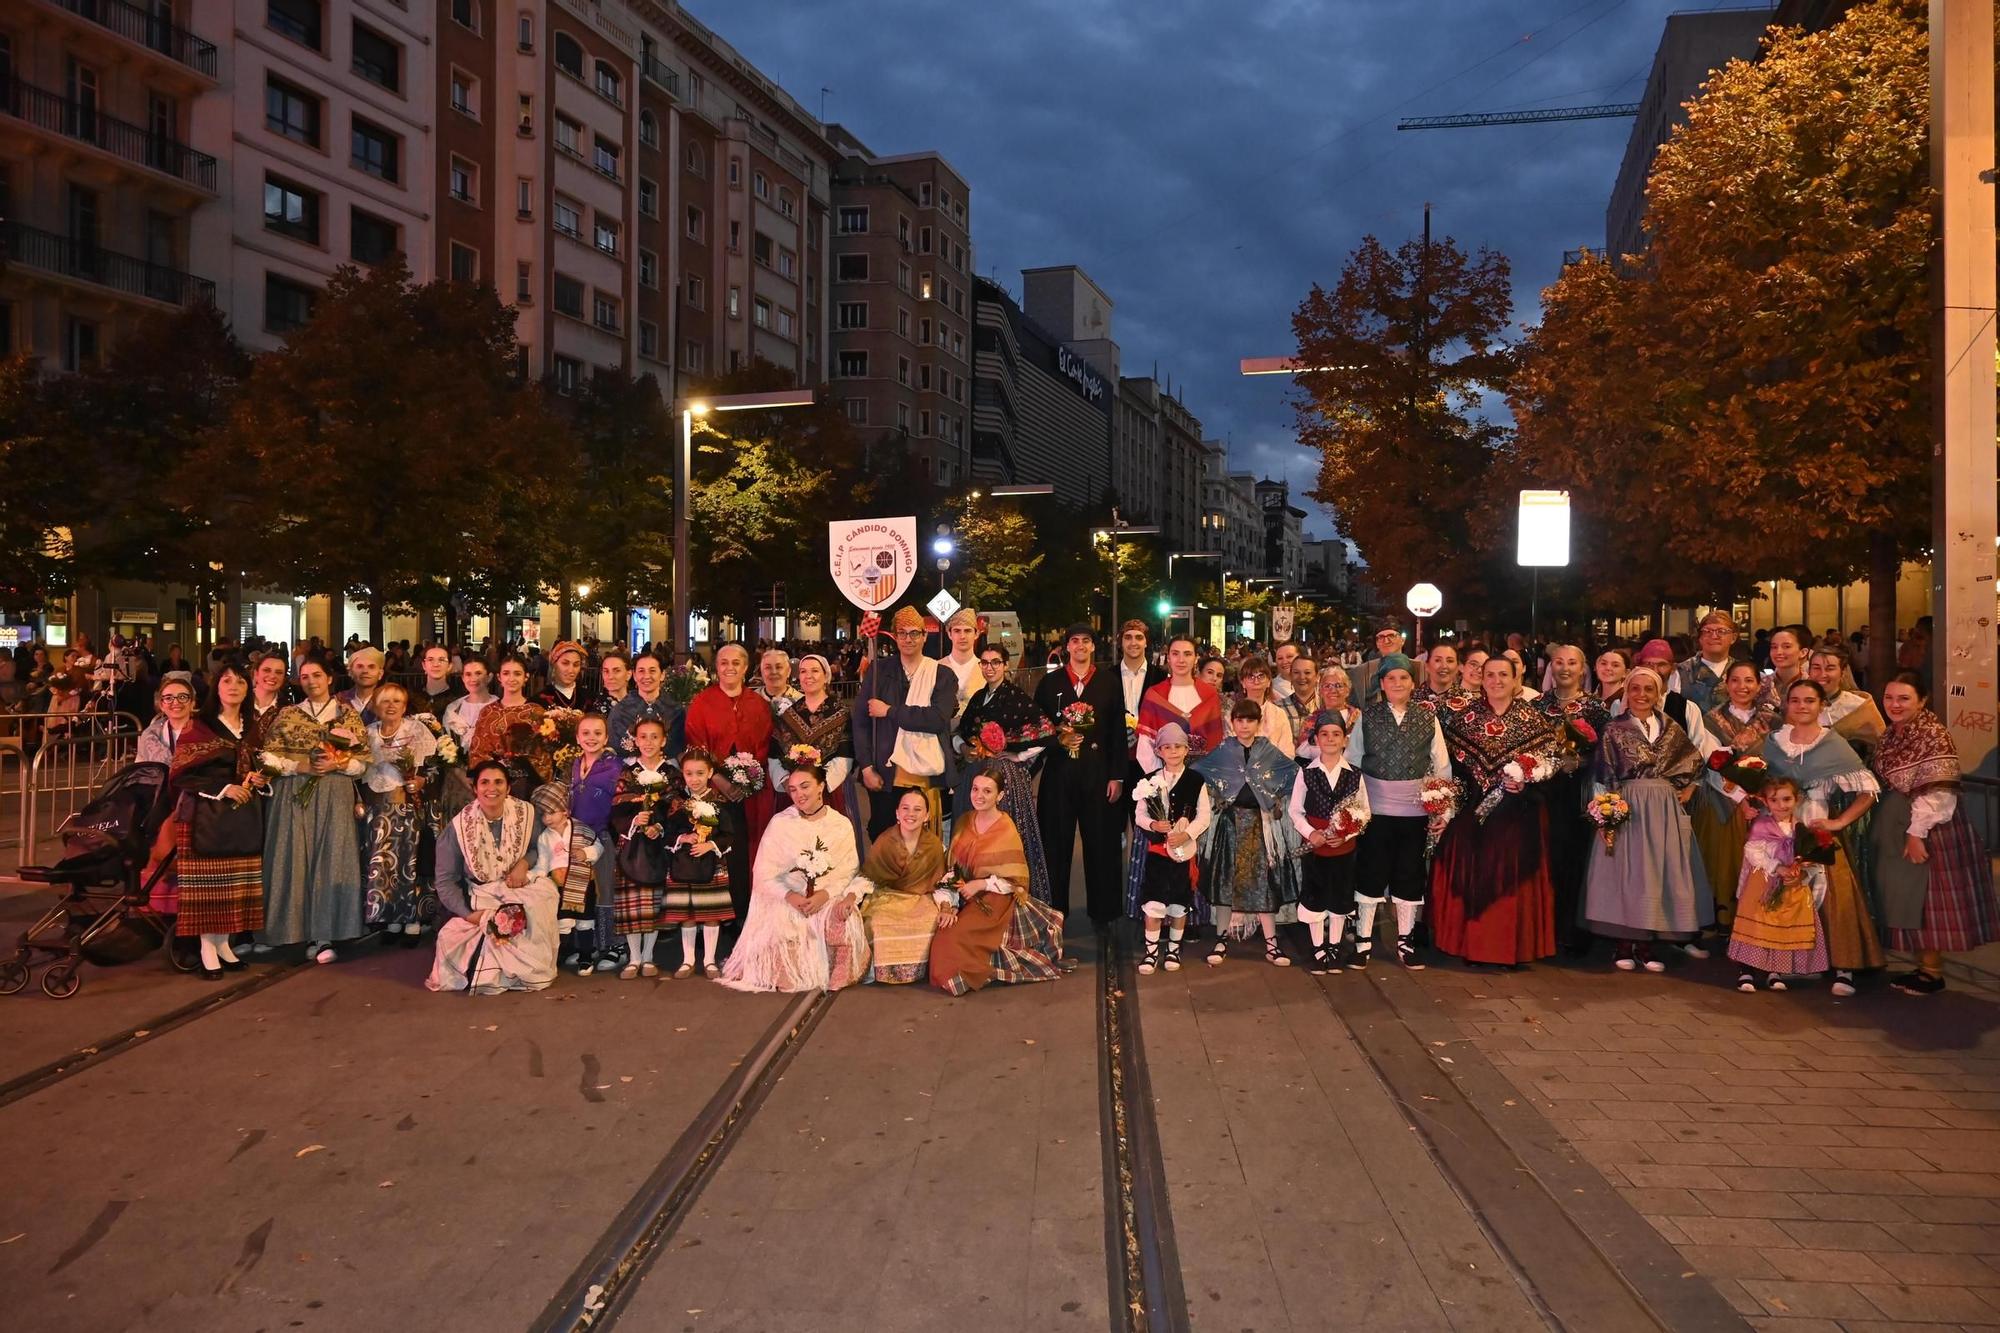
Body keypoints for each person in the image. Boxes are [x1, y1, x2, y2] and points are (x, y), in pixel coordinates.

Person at [1429, 654, 1568, 968]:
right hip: (1472, 815)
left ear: (1516, 677)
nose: (1496, 681)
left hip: (1517, 817)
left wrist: (1527, 787)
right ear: (1481, 678)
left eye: (1503, 674)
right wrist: (1448, 804)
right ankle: (1472, 947)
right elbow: (1449, 769)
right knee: (1472, 878)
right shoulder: (1463, 718)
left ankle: (1508, 949)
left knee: (1511, 881)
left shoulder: (1533, 719)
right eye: (1489, 674)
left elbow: (1551, 766)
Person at [1872, 672, 2000, 995]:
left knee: (1927, 900)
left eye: (1904, 698)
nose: (1895, 705)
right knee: (1909, 899)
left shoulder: (1932, 734)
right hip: (1901, 824)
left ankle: (1932, 972)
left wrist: (1917, 833)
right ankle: (1922, 967)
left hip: (1931, 830)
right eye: (1889, 698)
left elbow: (1939, 790)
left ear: (1922, 700)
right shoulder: (1893, 735)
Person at [1759, 678, 1884, 996]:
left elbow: (1868, 790)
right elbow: (1760, 782)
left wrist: (1839, 821)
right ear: (1786, 704)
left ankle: (1843, 965)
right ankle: (1783, 961)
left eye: (1809, 701)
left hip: (1816, 827)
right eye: (1796, 700)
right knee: (1782, 891)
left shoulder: (1833, 744)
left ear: (1822, 705)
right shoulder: (1774, 741)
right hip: (1781, 829)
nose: (1802, 706)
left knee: (1833, 897)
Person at [1581, 667, 1709, 972]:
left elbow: (1695, 763)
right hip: (1628, 805)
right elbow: (1602, 774)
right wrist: (1604, 813)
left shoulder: (1671, 728)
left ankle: (1648, 945)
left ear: (1658, 694)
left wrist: (1689, 789)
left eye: (1648, 689)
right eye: (1635, 689)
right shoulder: (1614, 728)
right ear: (1627, 692)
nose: (1641, 695)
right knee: (1628, 873)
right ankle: (1624, 943)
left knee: (1658, 873)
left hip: (1662, 809)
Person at [720, 766, 870, 993]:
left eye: (805, 786)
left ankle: (834, 971)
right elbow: (763, 873)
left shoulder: (840, 824)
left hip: (826, 896)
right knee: (786, 971)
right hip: (787, 898)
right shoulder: (781, 823)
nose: (799, 794)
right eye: (792, 789)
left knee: (844, 918)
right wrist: (790, 896)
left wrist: (824, 895)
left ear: (821, 786)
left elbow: (848, 871)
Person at [256, 659, 368, 965]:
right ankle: (282, 931)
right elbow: (268, 754)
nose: (311, 681)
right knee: (289, 859)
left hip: (334, 792)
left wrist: (339, 764)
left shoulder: (347, 714)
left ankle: (324, 935)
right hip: (293, 793)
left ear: (330, 678)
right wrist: (298, 766)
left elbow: (363, 762)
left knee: (331, 860)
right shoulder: (288, 714)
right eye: (304, 676)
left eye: (317, 675)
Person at [1351, 652, 1451, 968]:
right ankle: (1363, 940)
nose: (1397, 683)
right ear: (1381, 684)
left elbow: (1441, 766)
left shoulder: (1427, 717)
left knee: (1409, 876)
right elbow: (1353, 763)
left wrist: (1442, 810)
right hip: (1376, 812)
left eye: (1403, 678)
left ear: (1412, 683)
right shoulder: (1367, 717)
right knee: (1370, 874)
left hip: (1414, 812)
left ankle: (1405, 941)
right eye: (1390, 678)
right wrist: (1354, 810)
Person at [425, 761, 560, 993]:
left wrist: (524, 863)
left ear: (508, 788)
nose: (492, 788)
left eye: (499, 782)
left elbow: (540, 847)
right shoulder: (458, 827)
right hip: (482, 892)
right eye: (484, 782)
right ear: (474, 788)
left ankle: (528, 970)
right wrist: (470, 915)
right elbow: (445, 881)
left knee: (542, 898)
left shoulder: (526, 813)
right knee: (468, 934)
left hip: (519, 883)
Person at [929, 768, 1065, 994]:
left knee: (951, 941)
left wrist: (981, 884)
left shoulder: (1005, 827)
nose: (979, 796)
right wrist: (948, 904)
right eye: (975, 789)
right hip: (965, 896)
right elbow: (953, 870)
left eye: (987, 791)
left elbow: (1015, 881)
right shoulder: (964, 822)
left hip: (997, 899)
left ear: (1000, 796)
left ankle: (977, 972)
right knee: (944, 937)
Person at [169, 663, 262, 979]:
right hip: (203, 816)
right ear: (216, 687)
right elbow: (181, 773)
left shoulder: (252, 726)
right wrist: (224, 788)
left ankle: (223, 945)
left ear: (248, 689)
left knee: (232, 887)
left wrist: (258, 779)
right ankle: (206, 949)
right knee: (208, 889)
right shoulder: (200, 725)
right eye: (226, 680)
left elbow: (259, 762)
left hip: (242, 817)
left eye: (240, 681)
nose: (233, 686)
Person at [1032, 623, 1128, 924]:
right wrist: (1056, 739)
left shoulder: (1110, 683)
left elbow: (1116, 733)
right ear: (1066, 647)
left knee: (1102, 842)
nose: (1081, 647)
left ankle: (1104, 911)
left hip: (1098, 773)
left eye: (1087, 641)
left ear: (1093, 647)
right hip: (1059, 774)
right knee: (1055, 843)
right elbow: (1036, 729)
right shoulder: (1049, 684)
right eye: (1075, 641)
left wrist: (1118, 776)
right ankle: (1054, 910)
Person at [1195, 699, 1302, 966]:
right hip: (1229, 825)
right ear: (1232, 722)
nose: (1244, 726)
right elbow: (1198, 773)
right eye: (1240, 720)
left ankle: (1271, 943)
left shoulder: (1267, 751)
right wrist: (1215, 796)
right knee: (1224, 881)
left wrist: (1276, 798)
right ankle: (1221, 939)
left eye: (1250, 720)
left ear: (1258, 723)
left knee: (1263, 882)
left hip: (1260, 825)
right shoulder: (1223, 750)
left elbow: (1293, 774)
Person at [955, 642, 1055, 902]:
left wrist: (1018, 754)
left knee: (1004, 840)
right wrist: (966, 748)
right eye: (985, 663)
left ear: (1005, 665)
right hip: (976, 774)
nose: (989, 668)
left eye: (995, 662)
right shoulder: (979, 697)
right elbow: (963, 732)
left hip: (1005, 779)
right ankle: (974, 894)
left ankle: (1007, 899)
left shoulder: (1015, 697)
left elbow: (1045, 731)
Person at [854, 609, 959, 842]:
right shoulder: (879, 671)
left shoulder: (942, 675)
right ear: (895, 637)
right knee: (883, 839)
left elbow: (937, 720)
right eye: (902, 633)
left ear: (924, 636)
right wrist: (866, 767)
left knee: (923, 844)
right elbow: (860, 721)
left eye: (914, 633)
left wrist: (889, 711)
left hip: (927, 777)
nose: (908, 639)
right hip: (885, 776)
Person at [1536, 644, 1612, 954]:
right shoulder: (1539, 706)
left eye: (1572, 663)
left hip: (1581, 793)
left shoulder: (1595, 708)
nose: (1564, 668)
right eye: (1558, 662)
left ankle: (1575, 929)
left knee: (1578, 860)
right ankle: (1546, 929)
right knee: (1547, 858)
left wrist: (1579, 762)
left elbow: (1608, 754)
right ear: (1549, 668)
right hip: (1546, 792)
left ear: (1583, 669)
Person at [1727, 777, 1830, 991]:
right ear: (1766, 802)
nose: (1781, 805)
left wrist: (1799, 870)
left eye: (1787, 799)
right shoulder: (1762, 825)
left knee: (1782, 923)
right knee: (1757, 922)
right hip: (1764, 881)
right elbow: (1753, 852)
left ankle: (1775, 970)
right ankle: (1746, 970)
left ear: (1797, 799)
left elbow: (1808, 854)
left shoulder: (1800, 826)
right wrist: (1777, 867)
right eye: (1775, 801)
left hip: (1790, 881)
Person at [1289, 712, 1369, 975]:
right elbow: (1295, 810)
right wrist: (1311, 833)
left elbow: (1364, 812)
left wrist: (1345, 834)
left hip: (1343, 848)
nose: (1331, 739)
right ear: (1316, 739)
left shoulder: (1355, 774)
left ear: (1345, 739)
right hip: (1316, 848)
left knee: (1340, 895)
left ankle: (1334, 945)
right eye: (1325, 734)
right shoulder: (1306, 774)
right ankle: (1318, 947)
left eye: (1336, 734)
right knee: (1315, 896)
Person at [685, 643, 777, 869]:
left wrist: (750, 780)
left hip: (751, 793)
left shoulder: (758, 704)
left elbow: (765, 743)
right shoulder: (702, 703)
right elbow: (695, 743)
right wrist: (716, 778)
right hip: (714, 790)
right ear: (716, 667)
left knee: (748, 846)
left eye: (736, 663)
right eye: (724, 663)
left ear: (745, 667)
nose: (730, 668)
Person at [1131, 723, 1213, 974]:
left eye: (1178, 747)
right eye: (1167, 747)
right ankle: (1151, 952)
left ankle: (1174, 950)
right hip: (1158, 853)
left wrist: (1187, 834)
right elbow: (1139, 815)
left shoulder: (1196, 780)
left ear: (1186, 749)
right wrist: (1154, 823)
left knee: (1179, 903)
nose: (1173, 752)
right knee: (1153, 903)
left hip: (1183, 853)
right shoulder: (1149, 781)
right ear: (1159, 751)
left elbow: (1204, 815)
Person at [362, 682, 437, 945]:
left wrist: (422, 782)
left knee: (409, 862)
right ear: (375, 706)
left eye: (397, 701)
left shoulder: (416, 730)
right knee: (381, 866)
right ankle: (391, 917)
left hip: (406, 807)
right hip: (377, 809)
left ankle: (413, 918)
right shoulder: (368, 733)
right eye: (385, 701)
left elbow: (435, 767)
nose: (391, 706)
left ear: (405, 706)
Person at [660, 747, 742, 978]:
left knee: (711, 915)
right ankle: (687, 960)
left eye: (699, 773)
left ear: (710, 773)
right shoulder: (676, 802)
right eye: (688, 774)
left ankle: (709, 961)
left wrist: (710, 845)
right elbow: (665, 833)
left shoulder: (719, 802)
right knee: (686, 915)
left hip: (711, 864)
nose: (694, 779)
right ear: (682, 774)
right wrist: (681, 838)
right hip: (682, 865)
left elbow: (729, 834)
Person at [855, 788, 949, 984]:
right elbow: (868, 876)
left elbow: (941, 881)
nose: (910, 814)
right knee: (878, 922)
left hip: (921, 898)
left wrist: (946, 906)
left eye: (917, 809)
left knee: (930, 920)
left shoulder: (934, 845)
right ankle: (884, 972)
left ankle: (918, 972)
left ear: (927, 815)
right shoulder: (884, 841)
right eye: (905, 808)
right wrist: (850, 897)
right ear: (897, 813)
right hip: (888, 896)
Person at [610, 718, 680, 979]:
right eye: (643, 737)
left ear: (663, 741)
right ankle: (634, 957)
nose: (648, 742)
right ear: (635, 741)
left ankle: (649, 956)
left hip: (658, 846)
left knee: (652, 903)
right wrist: (633, 822)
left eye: (654, 737)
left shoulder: (672, 775)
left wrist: (660, 827)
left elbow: (677, 808)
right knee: (631, 905)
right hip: (631, 845)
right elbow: (617, 806)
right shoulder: (628, 774)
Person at [566, 714, 622, 974]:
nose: (591, 738)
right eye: (586, 733)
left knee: (605, 889)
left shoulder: (614, 766)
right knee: (581, 890)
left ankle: (612, 945)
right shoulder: (573, 764)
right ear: (577, 737)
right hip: (576, 836)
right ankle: (584, 946)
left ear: (607, 738)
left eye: (597, 733)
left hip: (603, 834)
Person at [769, 652, 854, 823]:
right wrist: (787, 784)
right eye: (803, 671)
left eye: (814, 671)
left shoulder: (841, 713)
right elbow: (774, 754)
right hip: (792, 795)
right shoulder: (786, 714)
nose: (808, 676)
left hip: (826, 793)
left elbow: (845, 755)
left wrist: (817, 787)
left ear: (826, 676)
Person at [530, 780, 601, 969]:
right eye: (543, 814)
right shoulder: (545, 836)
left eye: (552, 813)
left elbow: (598, 846)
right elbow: (543, 863)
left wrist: (587, 853)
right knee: (563, 922)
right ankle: (562, 955)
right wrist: (533, 876)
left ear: (566, 811)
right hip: (560, 885)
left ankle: (586, 957)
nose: (547, 818)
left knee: (584, 922)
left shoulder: (582, 829)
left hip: (583, 882)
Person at [1135, 636, 1224, 771]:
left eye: (1187, 654)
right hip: (1164, 777)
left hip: (1204, 776)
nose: (1181, 660)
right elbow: (1145, 746)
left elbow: (1216, 743)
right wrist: (1162, 780)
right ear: (1169, 658)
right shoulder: (1154, 695)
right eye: (1175, 654)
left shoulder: (1210, 695)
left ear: (1196, 658)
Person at [1115, 618, 1166, 789]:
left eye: (1139, 637)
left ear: (1146, 643)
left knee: (1148, 815)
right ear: (1120, 642)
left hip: (1151, 760)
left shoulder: (1160, 678)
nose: (1133, 642)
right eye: (1128, 637)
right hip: (1117, 760)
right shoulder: (1107, 677)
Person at [608, 651, 686, 758]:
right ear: (634, 675)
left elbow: (677, 748)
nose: (647, 676)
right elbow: (615, 748)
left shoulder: (675, 710)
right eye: (641, 671)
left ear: (662, 675)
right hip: (627, 769)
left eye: (652, 671)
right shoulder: (620, 710)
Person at [1810, 646, 1885, 756]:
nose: (1822, 674)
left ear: (1843, 672)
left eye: (1830, 668)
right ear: (1809, 671)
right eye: (1816, 668)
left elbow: (1879, 747)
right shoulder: (1798, 704)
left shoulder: (1859, 706)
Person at [1678, 612, 1748, 714]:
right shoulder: (1681, 672)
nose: (1714, 636)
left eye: (1722, 631)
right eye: (1707, 631)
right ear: (1700, 638)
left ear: (1733, 638)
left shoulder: (1744, 671)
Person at [940, 609, 985, 716]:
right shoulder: (936, 667)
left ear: (976, 634)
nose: (962, 636)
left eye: (967, 631)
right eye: (957, 631)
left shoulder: (986, 668)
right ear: (949, 634)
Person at [1757, 626, 1810, 713]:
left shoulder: (1811, 686)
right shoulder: (1760, 684)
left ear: (1803, 652)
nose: (1778, 652)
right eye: (1774, 647)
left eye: (1787, 646)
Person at [1350, 621, 1406, 702]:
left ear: (1402, 640)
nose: (1386, 641)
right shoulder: (1361, 673)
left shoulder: (1420, 669)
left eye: (1391, 636)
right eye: (1381, 637)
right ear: (1377, 644)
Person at [539, 640, 601, 712]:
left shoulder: (591, 699)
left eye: (576, 665)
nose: (571, 670)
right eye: (565, 663)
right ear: (554, 665)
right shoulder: (539, 700)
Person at [409, 644, 463, 717]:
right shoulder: (412, 696)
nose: (436, 664)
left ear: (449, 666)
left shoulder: (458, 698)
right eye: (430, 659)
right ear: (424, 665)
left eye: (441, 660)